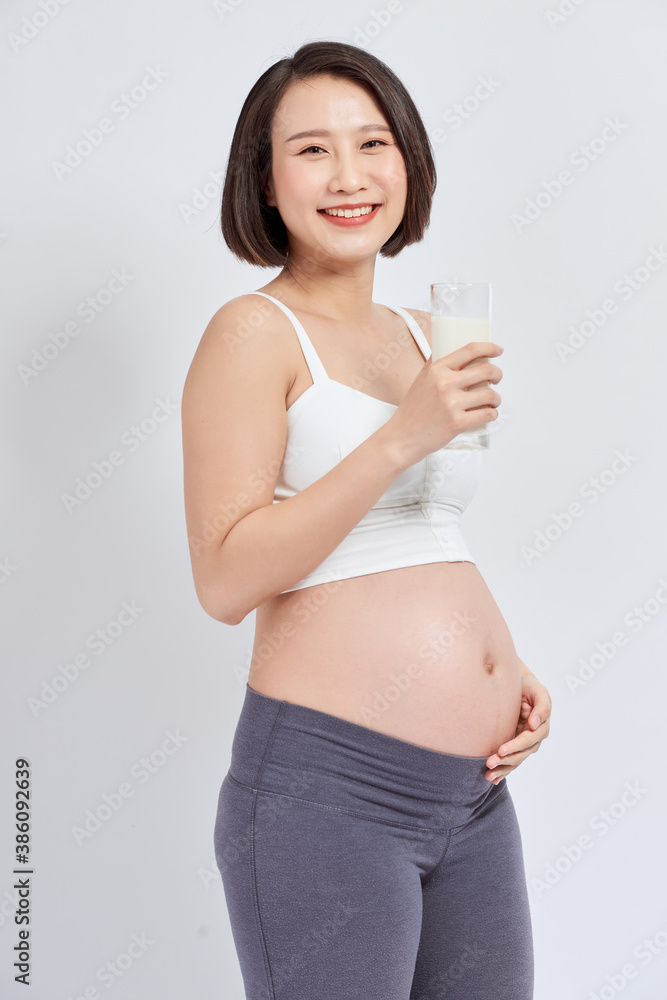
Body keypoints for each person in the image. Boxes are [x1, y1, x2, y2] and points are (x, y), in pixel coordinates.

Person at [182, 39, 552, 1000]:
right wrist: (402, 436)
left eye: (372, 143)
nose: (349, 176)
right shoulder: (253, 332)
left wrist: (502, 672)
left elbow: (419, 538)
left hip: (473, 795)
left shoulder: (425, 334)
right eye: (310, 151)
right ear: (263, 182)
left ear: (408, 162)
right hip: (326, 792)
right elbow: (224, 578)